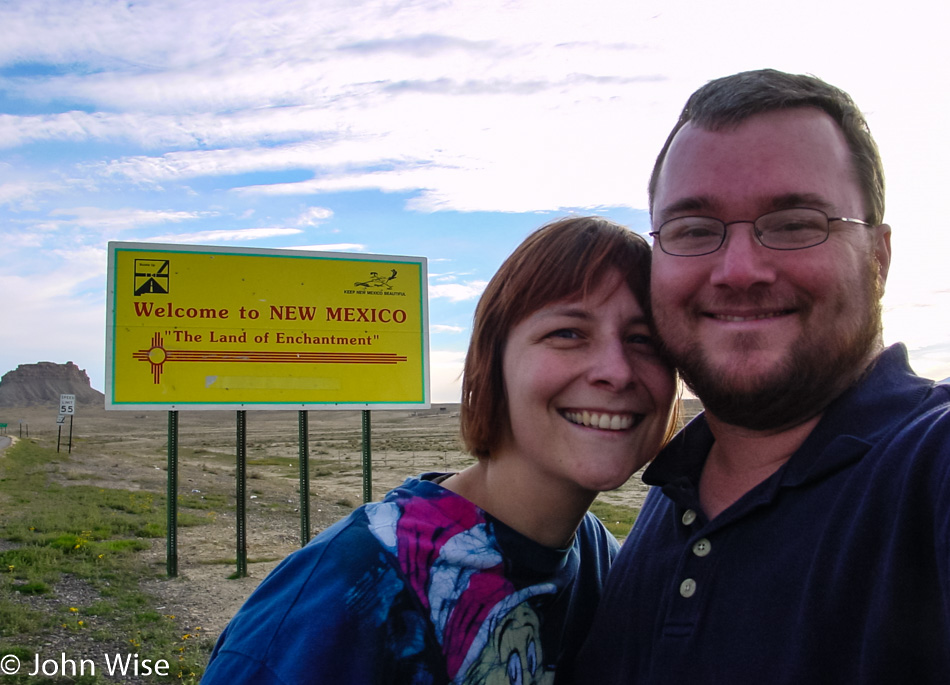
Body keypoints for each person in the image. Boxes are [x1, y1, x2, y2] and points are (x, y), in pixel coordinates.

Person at [574, 69, 950, 684]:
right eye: (693, 230)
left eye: (796, 223)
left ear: (878, 258)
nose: (739, 270)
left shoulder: (928, 466)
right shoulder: (668, 495)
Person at [201, 216, 677, 684]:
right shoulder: (347, 593)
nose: (617, 370)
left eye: (645, 340)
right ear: (491, 364)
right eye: (568, 333)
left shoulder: (592, 553)